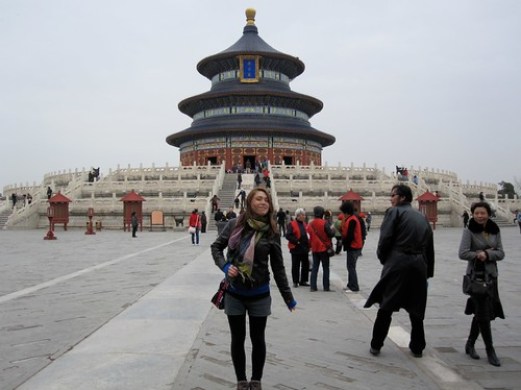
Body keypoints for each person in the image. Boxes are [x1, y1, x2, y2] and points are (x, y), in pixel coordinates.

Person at [211, 187, 296, 390]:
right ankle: (241, 380)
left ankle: (256, 380)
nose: (263, 202)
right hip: (234, 293)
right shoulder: (234, 224)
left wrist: (288, 298)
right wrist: (225, 266)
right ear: (249, 202)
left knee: (258, 339)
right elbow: (216, 247)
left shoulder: (272, 231)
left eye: (266, 199)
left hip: (260, 293)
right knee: (237, 338)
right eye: (258, 199)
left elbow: (278, 267)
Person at [364, 184, 434, 358]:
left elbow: (385, 239)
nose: (391, 198)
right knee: (416, 308)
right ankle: (418, 346)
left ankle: (376, 344)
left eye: (393, 195)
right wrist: (428, 270)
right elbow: (429, 246)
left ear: (402, 197)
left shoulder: (394, 212)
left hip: (398, 262)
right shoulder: (421, 216)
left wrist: (385, 260)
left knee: (386, 305)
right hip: (419, 264)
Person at [458, 201, 504, 367]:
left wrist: (487, 254)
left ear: (488, 214)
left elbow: (501, 253)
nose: (479, 216)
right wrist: (478, 255)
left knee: (482, 312)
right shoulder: (468, 230)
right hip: (476, 277)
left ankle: (470, 344)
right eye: (476, 213)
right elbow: (462, 253)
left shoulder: (495, 230)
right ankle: (490, 349)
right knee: (484, 313)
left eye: (482, 213)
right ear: (472, 214)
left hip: (491, 276)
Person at [307, 206, 335, 292]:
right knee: (325, 267)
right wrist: (332, 226)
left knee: (315, 267)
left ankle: (313, 286)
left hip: (315, 248)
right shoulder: (324, 223)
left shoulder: (310, 224)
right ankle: (326, 287)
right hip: (324, 248)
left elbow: (308, 236)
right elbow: (331, 234)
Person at [340, 202, 364, 292]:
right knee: (350, 266)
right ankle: (350, 284)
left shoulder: (352, 220)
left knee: (351, 267)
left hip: (353, 246)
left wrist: (344, 242)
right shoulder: (351, 219)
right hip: (354, 246)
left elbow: (350, 235)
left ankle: (354, 286)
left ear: (346, 212)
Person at [285, 208, 310, 287]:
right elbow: (288, 235)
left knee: (305, 265)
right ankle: (295, 281)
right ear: (298, 216)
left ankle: (304, 280)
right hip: (296, 247)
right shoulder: (291, 224)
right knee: (296, 265)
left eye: (304, 215)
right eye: (303, 215)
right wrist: (296, 241)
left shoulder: (305, 224)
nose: (304, 216)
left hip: (304, 247)